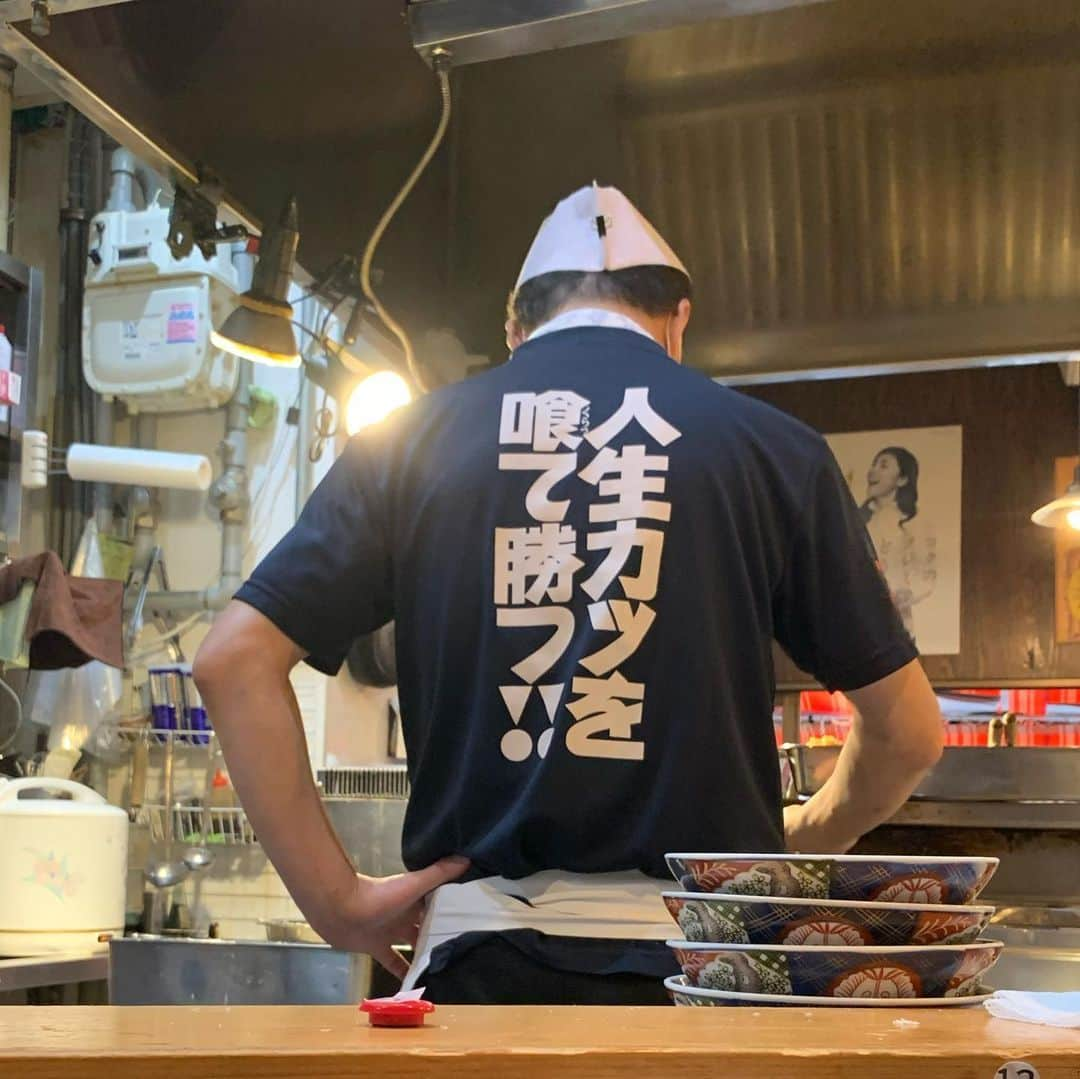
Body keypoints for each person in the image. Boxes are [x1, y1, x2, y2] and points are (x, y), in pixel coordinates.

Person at [193, 183, 944, 1005]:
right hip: (712, 988)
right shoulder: (777, 453)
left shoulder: (405, 445)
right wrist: (807, 832)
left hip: (477, 985)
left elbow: (232, 662)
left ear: (516, 332)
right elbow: (908, 734)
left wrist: (336, 903)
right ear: (677, 323)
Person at [860, 446, 938, 641]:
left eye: (883, 465)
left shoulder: (914, 521)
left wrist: (901, 596)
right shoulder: (856, 520)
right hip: (857, 627)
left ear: (902, 479)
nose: (873, 471)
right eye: (873, 465)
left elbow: (926, 575)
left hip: (896, 629)